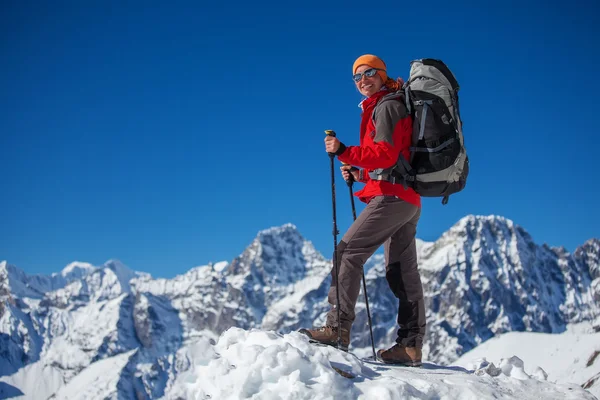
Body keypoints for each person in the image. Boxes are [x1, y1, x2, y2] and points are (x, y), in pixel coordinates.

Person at [299, 54, 426, 367]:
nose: (363, 80)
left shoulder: (387, 106)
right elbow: (394, 158)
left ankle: (337, 329)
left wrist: (344, 151)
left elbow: (383, 154)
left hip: (392, 198)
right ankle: (410, 346)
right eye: (357, 77)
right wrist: (360, 174)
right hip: (408, 199)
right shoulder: (391, 104)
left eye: (370, 73)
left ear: (383, 75)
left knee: (346, 254)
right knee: (401, 271)